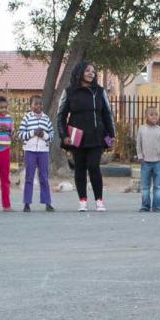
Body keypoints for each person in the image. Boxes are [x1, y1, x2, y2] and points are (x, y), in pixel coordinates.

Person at [58, 61, 115, 212]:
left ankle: (99, 200)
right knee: (80, 168)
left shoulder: (100, 91)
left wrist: (111, 135)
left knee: (93, 166)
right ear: (80, 72)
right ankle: (82, 200)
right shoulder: (69, 92)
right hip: (76, 137)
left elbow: (107, 114)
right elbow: (61, 116)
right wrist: (64, 135)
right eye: (88, 71)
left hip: (97, 136)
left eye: (93, 71)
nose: (91, 73)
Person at [19, 95, 54, 212]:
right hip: (30, 151)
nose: (38, 106)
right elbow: (20, 134)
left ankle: (47, 202)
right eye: (35, 104)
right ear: (31, 105)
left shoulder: (46, 119)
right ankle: (27, 203)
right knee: (29, 177)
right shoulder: (26, 118)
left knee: (44, 177)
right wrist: (33, 132)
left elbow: (52, 136)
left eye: (40, 103)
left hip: (43, 151)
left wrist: (44, 135)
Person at [136, 107, 160, 212]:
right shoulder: (141, 129)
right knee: (145, 186)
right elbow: (138, 144)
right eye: (151, 114)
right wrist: (140, 156)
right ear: (146, 116)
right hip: (145, 162)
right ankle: (145, 205)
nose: (154, 116)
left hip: (157, 162)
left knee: (158, 186)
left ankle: (157, 206)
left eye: (156, 114)